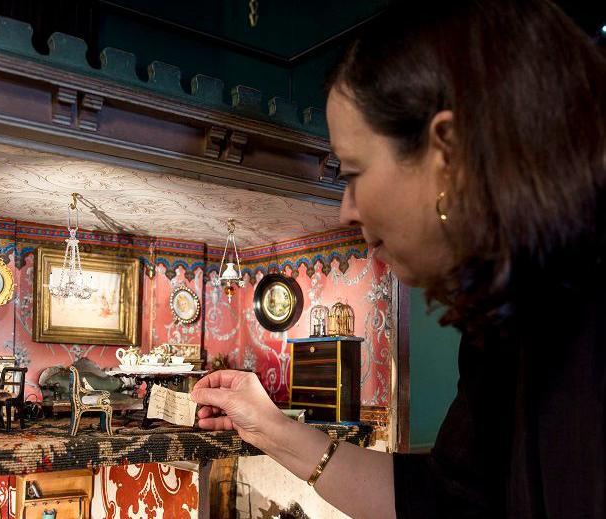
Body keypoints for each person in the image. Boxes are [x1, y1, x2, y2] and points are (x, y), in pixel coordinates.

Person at [191, 1, 604, 517]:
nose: (345, 210)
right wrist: (270, 428)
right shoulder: (501, 334)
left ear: (446, 153)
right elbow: (447, 500)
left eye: (352, 173)